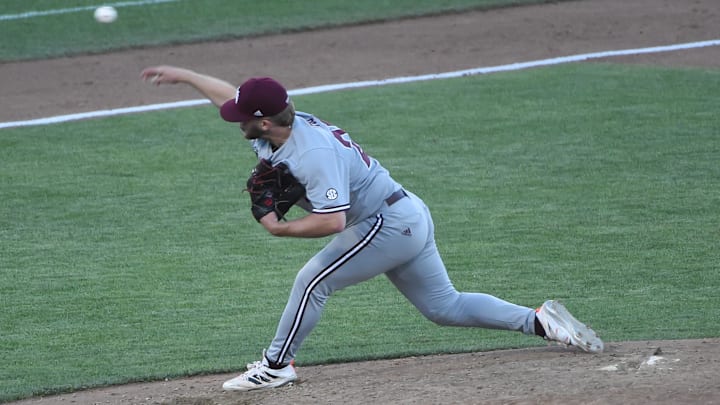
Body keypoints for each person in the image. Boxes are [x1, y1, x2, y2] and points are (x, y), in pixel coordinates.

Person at [140, 65, 604, 392]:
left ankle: (276, 366)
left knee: (311, 283)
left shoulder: (311, 155)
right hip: (408, 214)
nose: (237, 120)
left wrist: (281, 230)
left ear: (263, 121)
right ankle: (541, 321)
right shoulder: (284, 122)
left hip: (385, 225)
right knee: (444, 306)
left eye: (245, 118)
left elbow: (334, 221)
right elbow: (228, 96)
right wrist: (186, 76)